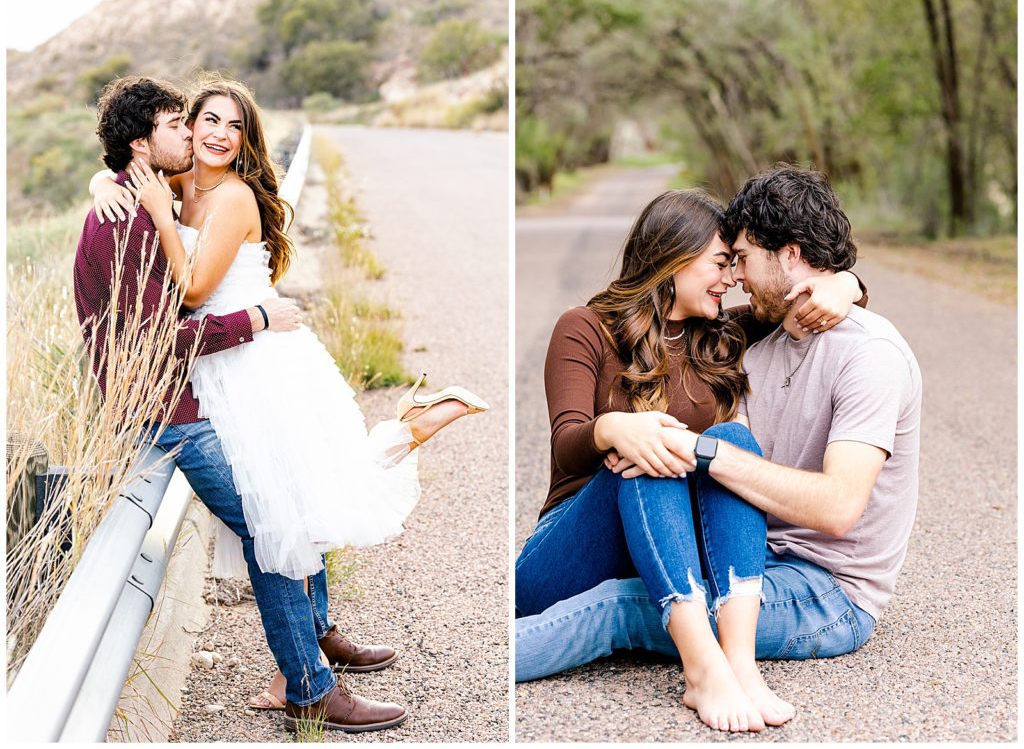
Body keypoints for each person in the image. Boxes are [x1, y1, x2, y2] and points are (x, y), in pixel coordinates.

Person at [84, 76, 485, 733]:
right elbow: (127, 199)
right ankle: (312, 649)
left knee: (288, 505)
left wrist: (158, 212)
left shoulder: (231, 195)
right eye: (201, 120)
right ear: (173, 132)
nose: (211, 134)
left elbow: (190, 287)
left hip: (254, 361)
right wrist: (113, 186)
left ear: (244, 140)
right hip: (218, 368)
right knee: (286, 504)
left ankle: (306, 670)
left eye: (229, 126)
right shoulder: (175, 187)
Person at [515, 166, 921, 734]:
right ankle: (705, 666)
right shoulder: (584, 327)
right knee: (654, 450)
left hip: (658, 547)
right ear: (674, 259)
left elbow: (800, 292)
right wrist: (614, 428)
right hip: (571, 543)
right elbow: (567, 444)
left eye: (739, 260)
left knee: (716, 444)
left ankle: (731, 663)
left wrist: (845, 281)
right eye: (721, 261)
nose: (733, 277)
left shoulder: (722, 336)